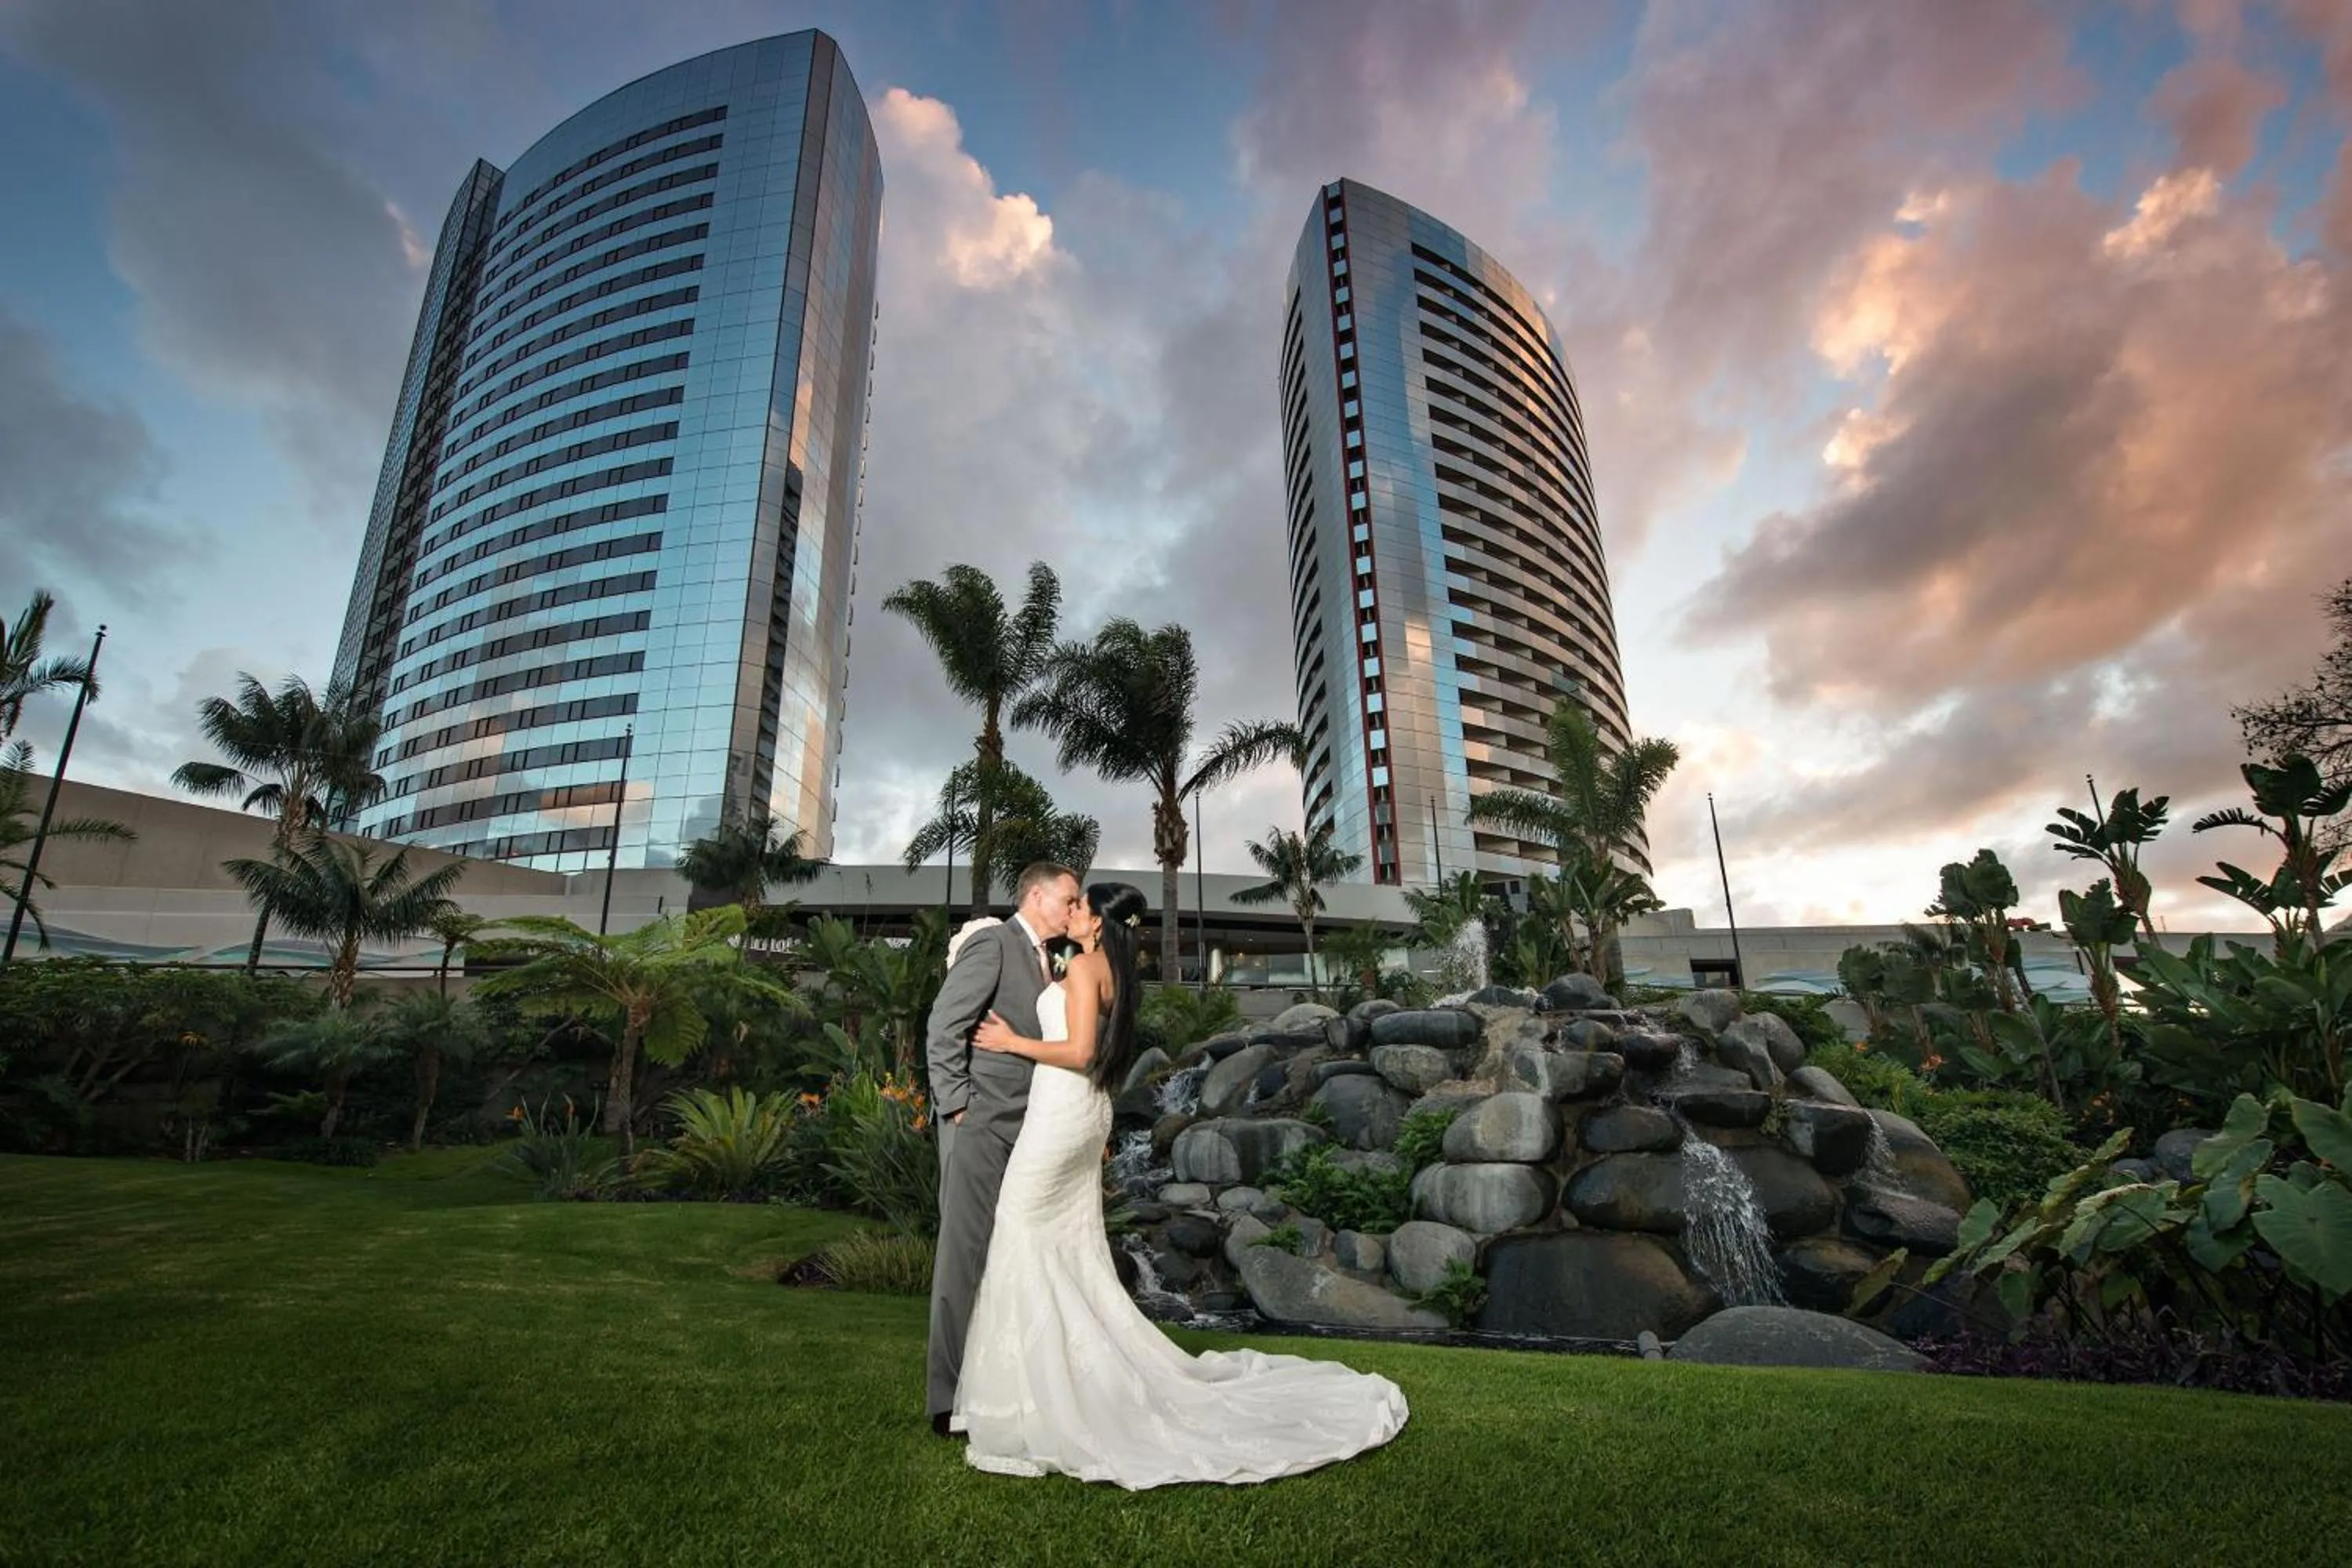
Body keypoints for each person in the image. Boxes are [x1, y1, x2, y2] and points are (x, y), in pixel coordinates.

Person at [949, 880, 1408, 1488]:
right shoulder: (1111, 970)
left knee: (1022, 1230)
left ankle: (1034, 1397)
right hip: (1081, 1113)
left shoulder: (1086, 966)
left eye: (1082, 906)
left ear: (1099, 924)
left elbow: (1081, 1049)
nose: (1074, 910)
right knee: (1064, 1245)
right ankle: (1049, 1380)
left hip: (1062, 1112)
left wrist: (1012, 1042)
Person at [924, 860, 1083, 1438]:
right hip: (982, 1123)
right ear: (1036, 895)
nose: (1074, 907)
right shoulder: (993, 942)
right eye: (1068, 898)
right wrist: (958, 1105)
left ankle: (1006, 1385)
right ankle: (946, 1401)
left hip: (1037, 1128)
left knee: (1015, 1257)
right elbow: (944, 1026)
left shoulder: (1061, 958)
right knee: (962, 1257)